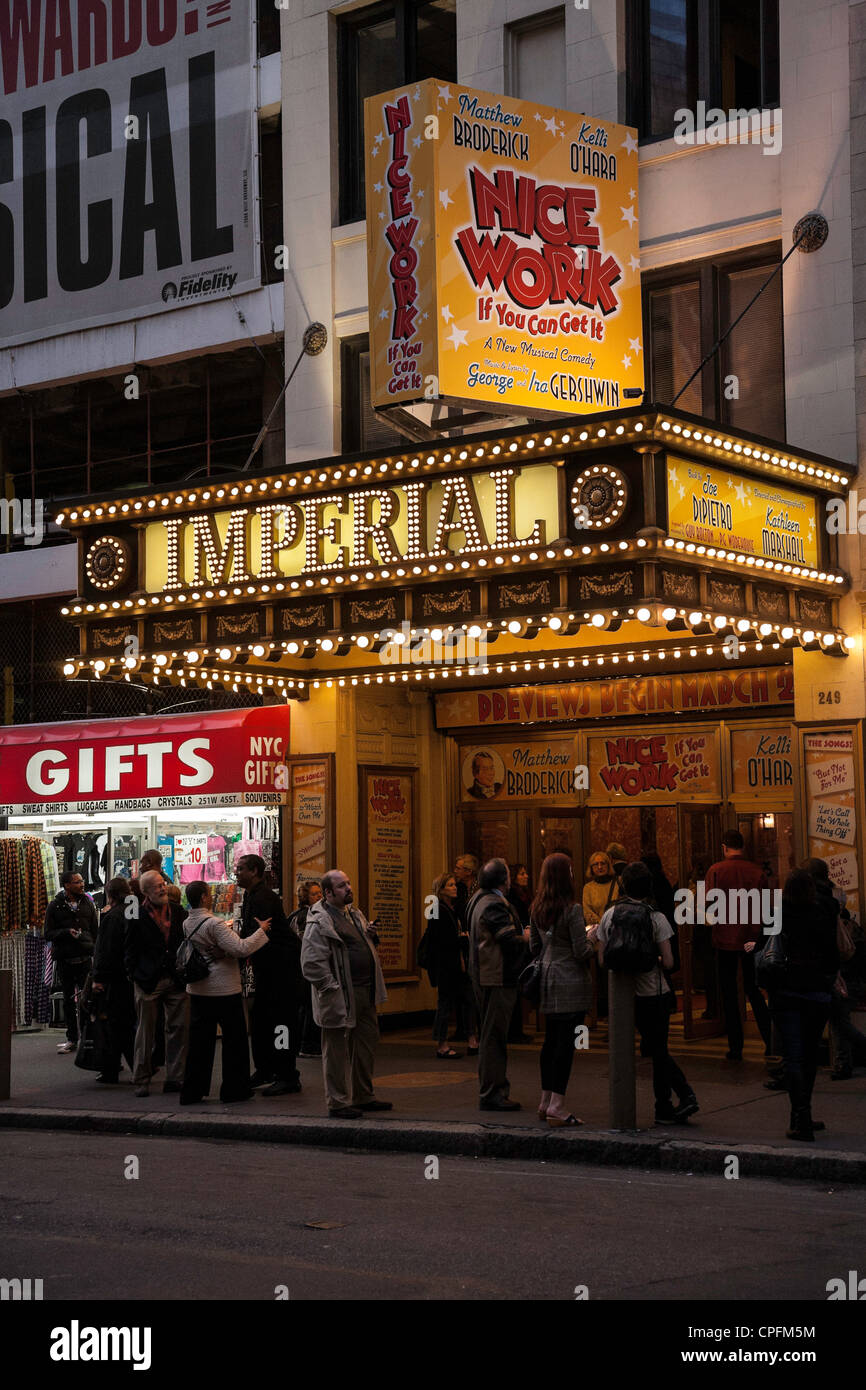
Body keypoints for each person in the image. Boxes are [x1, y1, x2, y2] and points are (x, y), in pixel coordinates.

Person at [593, 861, 698, 1125]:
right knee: (659, 1050)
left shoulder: (610, 915)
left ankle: (680, 1097)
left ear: (623, 885)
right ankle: (667, 1104)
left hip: (626, 997)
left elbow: (602, 959)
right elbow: (671, 961)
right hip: (654, 992)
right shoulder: (656, 917)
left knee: (650, 1049)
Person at [300, 869, 390, 1119]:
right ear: (328, 893)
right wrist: (331, 988)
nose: (348, 888)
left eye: (348, 883)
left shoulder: (354, 913)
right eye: (341, 886)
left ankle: (363, 1095)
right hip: (339, 994)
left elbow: (359, 946)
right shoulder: (319, 921)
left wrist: (371, 937)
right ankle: (338, 1102)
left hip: (364, 991)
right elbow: (310, 963)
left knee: (365, 1045)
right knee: (336, 1048)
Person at [179, 880, 272, 1105]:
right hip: (223, 989)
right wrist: (262, 931)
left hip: (199, 990)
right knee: (234, 1041)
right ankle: (234, 1089)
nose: (211, 896)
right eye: (208, 894)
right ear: (203, 897)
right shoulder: (215, 924)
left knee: (200, 1043)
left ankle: (193, 1090)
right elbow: (241, 948)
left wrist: (224, 950)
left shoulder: (187, 922)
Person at [769, 870, 841, 1140]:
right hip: (815, 993)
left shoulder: (777, 915)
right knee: (808, 1057)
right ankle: (803, 1114)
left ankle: (801, 1117)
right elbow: (832, 958)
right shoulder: (821, 915)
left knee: (793, 1057)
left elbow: (765, 951)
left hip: (786, 992)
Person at [530, 853, 593, 1126]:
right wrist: (594, 938)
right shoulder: (573, 909)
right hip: (570, 981)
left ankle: (544, 1100)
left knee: (550, 1042)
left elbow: (534, 947)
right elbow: (581, 952)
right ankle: (557, 1104)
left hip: (546, 978)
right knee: (565, 1045)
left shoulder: (537, 908)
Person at [236, 854, 303, 1097]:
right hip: (268, 970)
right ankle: (266, 1069)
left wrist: (237, 950)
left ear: (254, 871)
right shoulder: (252, 894)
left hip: (280, 972)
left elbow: (260, 934)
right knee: (262, 1021)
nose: (236, 872)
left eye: (241, 869)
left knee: (280, 1024)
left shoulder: (263, 897)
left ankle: (287, 1074)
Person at [467, 858, 528, 1111]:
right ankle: (493, 1092)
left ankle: (493, 1088)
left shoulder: (476, 899)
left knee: (491, 1034)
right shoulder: (494, 904)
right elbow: (508, 940)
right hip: (497, 976)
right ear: (504, 880)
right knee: (494, 1037)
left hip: (483, 974)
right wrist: (527, 935)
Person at [705, 829, 771, 1060]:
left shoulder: (715, 871)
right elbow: (766, 909)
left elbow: (710, 907)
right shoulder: (757, 872)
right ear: (743, 846)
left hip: (725, 941)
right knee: (754, 991)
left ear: (724, 847)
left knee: (729, 994)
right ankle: (770, 1042)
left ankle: (735, 1047)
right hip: (753, 939)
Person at [124, 870, 189, 1098]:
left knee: (178, 1030)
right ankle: (141, 1078)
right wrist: (135, 975)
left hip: (175, 979)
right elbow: (129, 948)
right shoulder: (136, 914)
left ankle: (175, 1077)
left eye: (163, 885)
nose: (162, 889)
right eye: (156, 887)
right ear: (145, 892)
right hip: (148, 980)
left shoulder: (178, 911)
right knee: (145, 1032)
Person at [44, 870, 97, 1054]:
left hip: (85, 960)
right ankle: (72, 1039)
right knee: (68, 1000)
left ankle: (87, 1038)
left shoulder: (88, 903)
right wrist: (66, 932)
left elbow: (95, 931)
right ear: (67, 885)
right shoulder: (55, 906)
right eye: (77, 882)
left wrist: (94, 951)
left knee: (87, 1000)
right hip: (65, 961)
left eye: (82, 881)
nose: (82, 884)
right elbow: (47, 934)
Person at [427, 872, 479, 1059]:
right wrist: (461, 940)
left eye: (454, 884)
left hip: (459, 964)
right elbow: (439, 939)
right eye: (450, 885)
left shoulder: (454, 908)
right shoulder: (437, 909)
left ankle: (472, 1040)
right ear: (441, 890)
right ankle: (442, 1043)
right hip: (447, 965)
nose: (455, 887)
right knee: (446, 1004)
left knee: (468, 1000)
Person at [90, 877, 136, 1084]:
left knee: (112, 1024)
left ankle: (112, 1069)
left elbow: (104, 950)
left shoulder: (112, 916)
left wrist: (98, 978)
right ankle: (138, 1064)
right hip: (131, 975)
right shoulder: (134, 911)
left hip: (114, 978)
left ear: (111, 895)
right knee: (126, 1023)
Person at [289, 880, 324, 1058]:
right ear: (305, 897)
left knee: (304, 1006)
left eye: (320, 893)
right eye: (314, 894)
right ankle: (309, 1044)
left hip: (298, 968)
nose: (319, 896)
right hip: (305, 966)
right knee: (310, 1006)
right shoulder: (308, 916)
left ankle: (300, 1044)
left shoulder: (296, 915)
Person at [507, 864, 534, 1042]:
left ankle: (518, 1029)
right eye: (522, 874)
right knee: (515, 990)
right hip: (518, 945)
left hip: (525, 943)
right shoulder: (513, 897)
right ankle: (514, 1030)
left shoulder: (525, 895)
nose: (526, 876)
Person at [582, 851, 619, 927]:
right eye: (596, 864)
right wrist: (603, 926)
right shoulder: (588, 888)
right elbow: (588, 913)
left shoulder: (618, 883)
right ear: (591, 868)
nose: (600, 867)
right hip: (598, 931)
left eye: (602, 863)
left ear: (608, 865)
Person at [453, 854, 479, 930]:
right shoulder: (457, 888)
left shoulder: (481, 889)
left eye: (458, 868)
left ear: (469, 871)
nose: (455, 871)